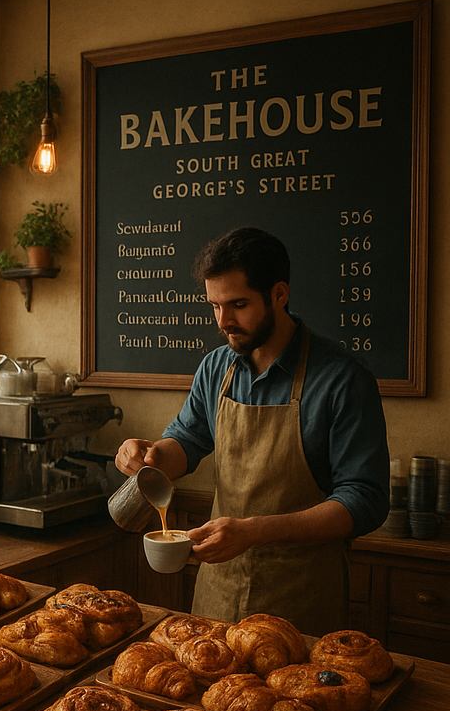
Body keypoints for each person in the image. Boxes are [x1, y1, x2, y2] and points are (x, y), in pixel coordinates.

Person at [114, 226, 389, 634]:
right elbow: (187, 441)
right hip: (217, 596)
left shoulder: (342, 379)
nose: (224, 321)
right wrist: (149, 456)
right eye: (214, 306)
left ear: (279, 294)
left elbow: (365, 500)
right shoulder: (215, 367)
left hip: (302, 601)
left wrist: (254, 531)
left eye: (238, 304)